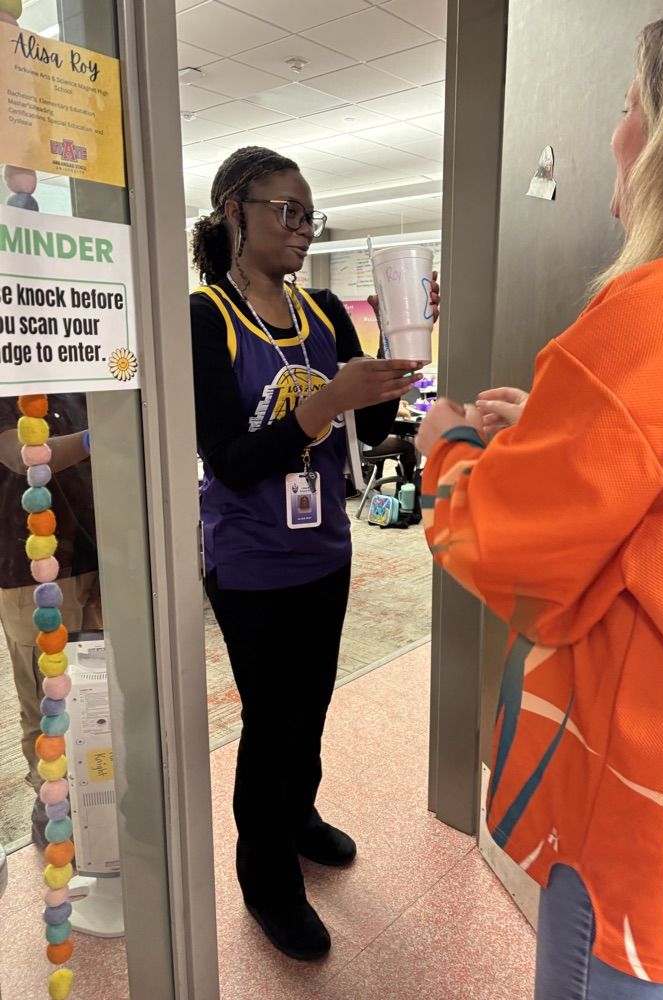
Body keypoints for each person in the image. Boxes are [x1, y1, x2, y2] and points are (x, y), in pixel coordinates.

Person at [417, 1, 663, 997]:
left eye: (628, 104)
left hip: (636, 757)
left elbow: (514, 541)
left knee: (603, 970)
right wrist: (546, 430)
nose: (614, 133)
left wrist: (452, 450)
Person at [189, 145, 438, 961]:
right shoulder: (204, 316)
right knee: (271, 718)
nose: (301, 228)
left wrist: (398, 379)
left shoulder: (326, 311)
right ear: (235, 211)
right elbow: (228, 457)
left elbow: (361, 436)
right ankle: (266, 881)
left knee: (314, 704)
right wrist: (326, 398)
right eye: (286, 211)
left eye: (309, 215)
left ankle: (298, 817)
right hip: (250, 560)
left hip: (325, 550)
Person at [0, 393, 100, 846]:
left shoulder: (83, 373)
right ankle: (53, 810)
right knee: (46, 703)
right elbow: (20, 457)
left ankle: (97, 804)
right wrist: (98, 438)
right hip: (29, 565)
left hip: (97, 551)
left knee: (98, 690)